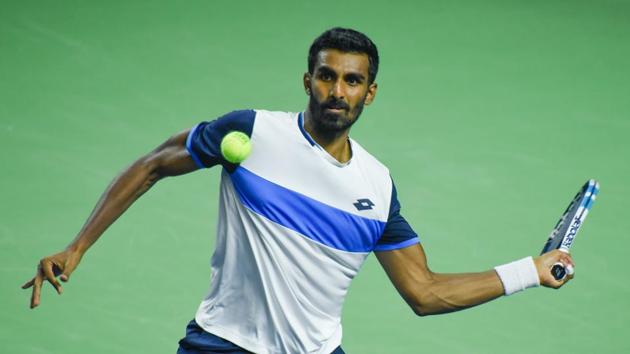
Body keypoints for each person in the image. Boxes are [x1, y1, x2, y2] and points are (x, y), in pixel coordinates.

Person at [22, 27, 574, 354]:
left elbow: (424, 293)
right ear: (307, 80)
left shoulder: (377, 188)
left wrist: (530, 269)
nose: (338, 91)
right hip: (222, 343)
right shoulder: (251, 132)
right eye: (327, 76)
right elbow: (151, 166)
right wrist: (78, 246)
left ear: (370, 93)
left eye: (352, 81)